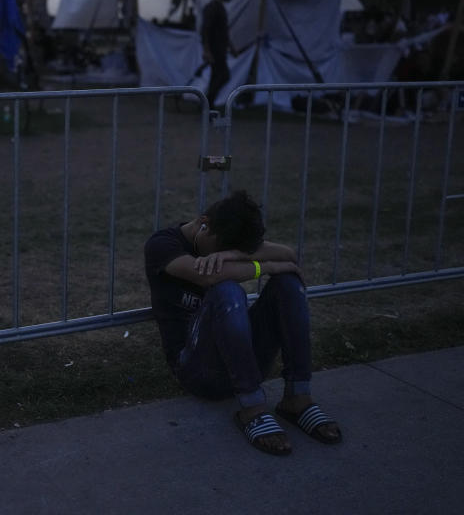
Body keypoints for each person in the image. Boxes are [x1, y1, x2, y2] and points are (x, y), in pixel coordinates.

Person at [144, 190, 341, 456]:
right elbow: (208, 277)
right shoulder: (163, 244)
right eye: (222, 248)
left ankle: (298, 397)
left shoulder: (228, 238)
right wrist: (263, 267)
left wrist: (235, 254)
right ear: (204, 223)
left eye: (231, 249)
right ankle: (253, 408)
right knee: (227, 290)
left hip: (244, 359)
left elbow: (289, 255)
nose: (222, 253)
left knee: (288, 283)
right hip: (197, 371)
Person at [200, 0, 236, 108]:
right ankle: (208, 103)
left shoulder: (220, 8)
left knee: (217, 77)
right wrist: (207, 50)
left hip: (220, 49)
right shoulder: (212, 7)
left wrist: (231, 47)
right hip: (215, 50)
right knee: (223, 75)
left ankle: (207, 104)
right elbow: (205, 30)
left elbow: (223, 31)